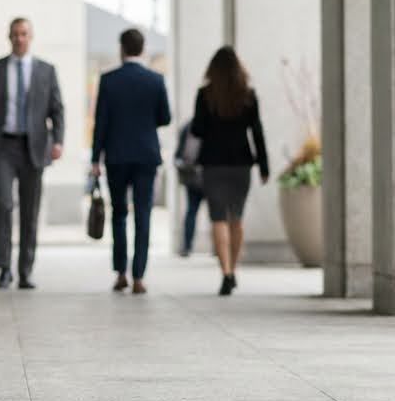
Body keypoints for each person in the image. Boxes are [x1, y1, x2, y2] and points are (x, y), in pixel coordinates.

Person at [0, 17, 65, 290]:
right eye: (15, 34)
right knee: (4, 205)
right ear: (9, 37)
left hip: (34, 147)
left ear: (31, 37)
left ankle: (25, 270)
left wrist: (58, 140)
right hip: (3, 147)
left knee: (29, 212)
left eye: (24, 34)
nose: (20, 38)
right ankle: (4, 268)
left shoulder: (46, 71)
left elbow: (57, 109)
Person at [90, 29, 171, 294]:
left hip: (116, 156)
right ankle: (139, 276)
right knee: (144, 214)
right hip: (146, 155)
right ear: (142, 49)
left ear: (122, 49)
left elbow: (100, 123)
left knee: (120, 214)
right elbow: (165, 118)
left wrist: (95, 158)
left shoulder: (109, 80)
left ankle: (121, 272)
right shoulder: (155, 80)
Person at [188, 46, 269, 296]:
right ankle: (234, 268)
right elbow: (257, 132)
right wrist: (264, 165)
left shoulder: (205, 95)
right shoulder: (247, 94)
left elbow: (197, 130)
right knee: (237, 218)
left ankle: (225, 272)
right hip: (241, 163)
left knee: (218, 218)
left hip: (213, 163)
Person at [173, 118, 205, 257]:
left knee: (192, 211)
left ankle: (187, 246)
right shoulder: (189, 127)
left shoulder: (188, 126)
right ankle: (187, 245)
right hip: (198, 176)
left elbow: (179, 155)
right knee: (195, 212)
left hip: (198, 175)